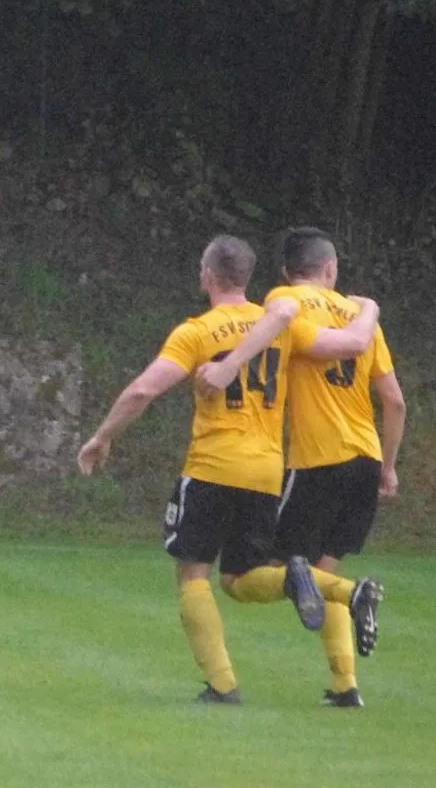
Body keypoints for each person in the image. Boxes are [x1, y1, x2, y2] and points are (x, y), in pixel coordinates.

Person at [77, 234, 384, 704]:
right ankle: (341, 589)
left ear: (207, 276)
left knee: (193, 574)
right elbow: (347, 344)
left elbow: (144, 390)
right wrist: (369, 308)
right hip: (266, 472)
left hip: (212, 467)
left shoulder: (197, 331)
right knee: (240, 579)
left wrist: (102, 436)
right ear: (247, 276)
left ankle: (222, 685)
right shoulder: (280, 323)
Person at [191, 227, 403, 706]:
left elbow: (309, 343)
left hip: (317, 460)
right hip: (366, 460)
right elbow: (393, 401)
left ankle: (355, 593)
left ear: (287, 272)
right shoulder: (361, 316)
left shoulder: (285, 300)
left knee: (252, 575)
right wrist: (388, 467)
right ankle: (345, 686)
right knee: (323, 570)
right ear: (331, 268)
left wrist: (228, 366)